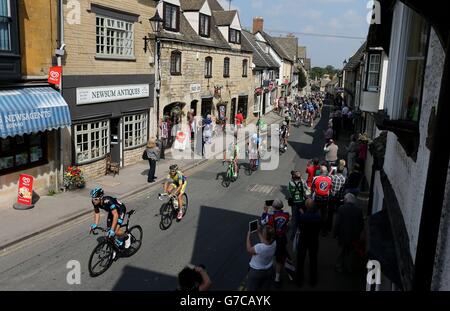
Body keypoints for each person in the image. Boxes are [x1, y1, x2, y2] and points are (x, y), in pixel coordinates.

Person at [261, 199, 293, 288]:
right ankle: (277, 278)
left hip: (272, 239)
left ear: (273, 206)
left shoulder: (270, 216)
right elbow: (289, 225)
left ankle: (265, 273)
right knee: (280, 258)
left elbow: (262, 221)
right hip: (282, 238)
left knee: (267, 255)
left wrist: (265, 212)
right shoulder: (287, 215)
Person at [333, 193, 364, 273]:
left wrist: (335, 233)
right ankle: (349, 268)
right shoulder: (359, 210)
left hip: (343, 235)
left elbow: (337, 223)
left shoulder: (341, 208)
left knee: (342, 251)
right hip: (354, 236)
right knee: (351, 252)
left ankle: (339, 266)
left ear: (346, 200)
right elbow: (361, 225)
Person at [295, 199, 321, 287]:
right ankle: (313, 280)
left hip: (303, 239)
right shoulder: (318, 216)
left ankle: (299, 280)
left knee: (300, 260)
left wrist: (302, 213)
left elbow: (298, 224)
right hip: (314, 240)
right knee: (313, 260)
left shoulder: (303, 216)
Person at [246, 223, 276, 291]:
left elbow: (249, 249)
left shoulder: (260, 247)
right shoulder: (274, 243)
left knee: (252, 288)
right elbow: (265, 241)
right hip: (269, 270)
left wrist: (248, 236)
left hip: (256, 272)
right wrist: (259, 232)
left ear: (265, 236)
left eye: (263, 231)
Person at [311, 166, 332, 236]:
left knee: (314, 213)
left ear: (320, 171)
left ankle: (314, 229)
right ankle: (324, 231)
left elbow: (312, 188)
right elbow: (330, 188)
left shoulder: (316, 178)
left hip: (317, 198)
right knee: (324, 215)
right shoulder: (329, 179)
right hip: (325, 199)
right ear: (326, 172)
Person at [288, 171, 307, 241]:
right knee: (302, 218)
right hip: (301, 203)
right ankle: (302, 234)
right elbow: (305, 191)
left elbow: (290, 194)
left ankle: (293, 236)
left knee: (294, 219)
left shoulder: (290, 183)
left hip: (294, 203)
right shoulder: (302, 182)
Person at [328, 166, 346, 234]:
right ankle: (337, 229)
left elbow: (328, 176)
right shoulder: (344, 178)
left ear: (337, 170)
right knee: (339, 214)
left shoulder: (333, 177)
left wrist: (331, 170)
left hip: (332, 196)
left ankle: (329, 227)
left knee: (330, 213)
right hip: (339, 198)